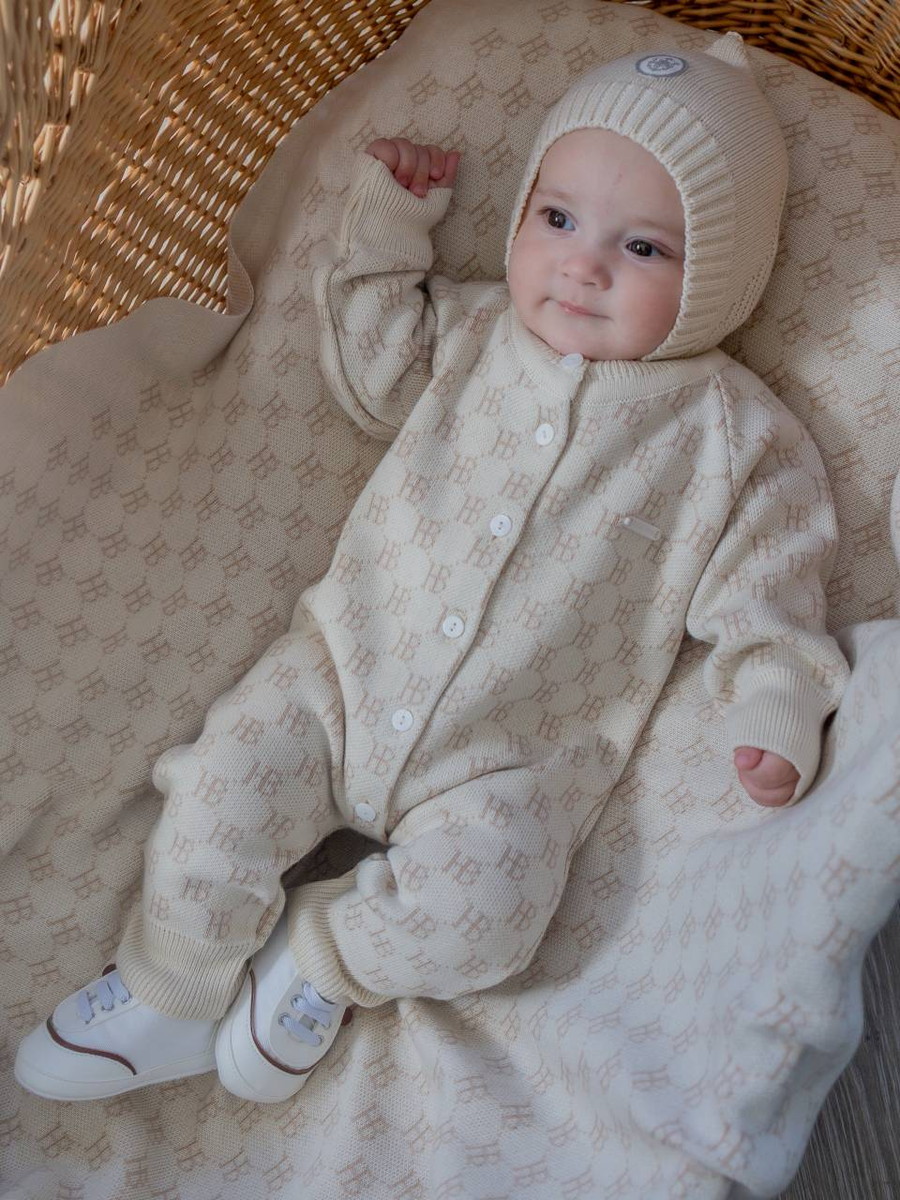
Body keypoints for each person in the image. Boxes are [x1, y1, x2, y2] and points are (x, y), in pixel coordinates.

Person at [15, 33, 849, 1105]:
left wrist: (779, 700)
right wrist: (390, 226)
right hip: (338, 677)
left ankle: (321, 957)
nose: (583, 265)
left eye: (643, 247)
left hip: (514, 760)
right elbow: (371, 370)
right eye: (557, 220)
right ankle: (171, 985)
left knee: (493, 911)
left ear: (723, 278)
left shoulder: (727, 432)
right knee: (220, 784)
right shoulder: (474, 332)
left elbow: (772, 582)